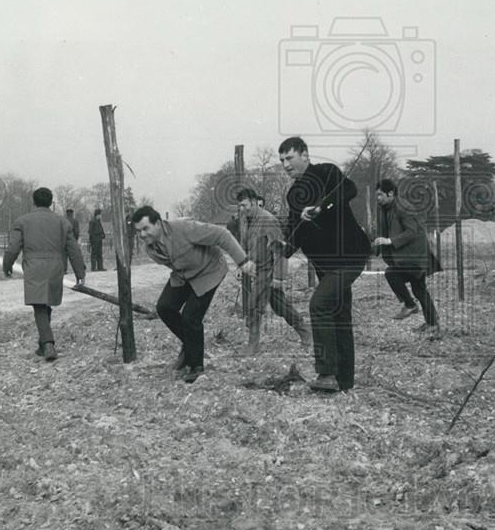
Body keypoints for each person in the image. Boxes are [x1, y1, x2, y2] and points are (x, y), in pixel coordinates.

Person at [279, 136, 371, 393]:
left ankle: (327, 373)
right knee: (339, 315)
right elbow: (296, 232)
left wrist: (322, 207)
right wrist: (282, 249)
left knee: (318, 304)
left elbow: (349, 189)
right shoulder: (293, 194)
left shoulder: (327, 172)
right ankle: (344, 382)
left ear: (305, 155)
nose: (286, 164)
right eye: (282, 160)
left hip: (350, 255)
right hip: (326, 265)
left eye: (290, 157)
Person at [132, 205, 255, 382]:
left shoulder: (184, 229)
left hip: (209, 271)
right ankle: (190, 345)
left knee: (191, 317)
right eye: (139, 231)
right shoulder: (151, 249)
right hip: (184, 275)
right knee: (164, 307)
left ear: (158, 223)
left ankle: (196, 367)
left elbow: (222, 235)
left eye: (145, 229)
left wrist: (243, 261)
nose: (142, 235)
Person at [3, 187, 86, 361]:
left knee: (39, 305)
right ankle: (42, 345)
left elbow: (13, 248)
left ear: (34, 202)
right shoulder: (63, 222)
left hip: (34, 267)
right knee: (45, 303)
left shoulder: (22, 221)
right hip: (56, 267)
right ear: (51, 202)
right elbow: (73, 249)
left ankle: (48, 343)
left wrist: (7, 264)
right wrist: (80, 272)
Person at [235, 187, 311, 353]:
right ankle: (306, 333)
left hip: (268, 270)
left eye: (244, 205)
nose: (242, 209)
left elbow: (280, 250)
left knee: (254, 305)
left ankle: (252, 346)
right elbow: (245, 245)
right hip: (257, 269)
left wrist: (278, 277)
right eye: (240, 206)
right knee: (279, 305)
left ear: (254, 202)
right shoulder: (246, 220)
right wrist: (243, 264)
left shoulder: (268, 220)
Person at [372, 179, 443, 339]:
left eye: (380, 195)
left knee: (391, 274)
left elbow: (412, 231)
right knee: (419, 289)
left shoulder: (404, 207)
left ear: (390, 193)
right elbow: (385, 232)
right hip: (406, 257)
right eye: (376, 196)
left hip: (414, 256)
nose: (378, 199)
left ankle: (410, 305)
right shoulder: (386, 208)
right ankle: (433, 324)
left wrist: (390, 241)